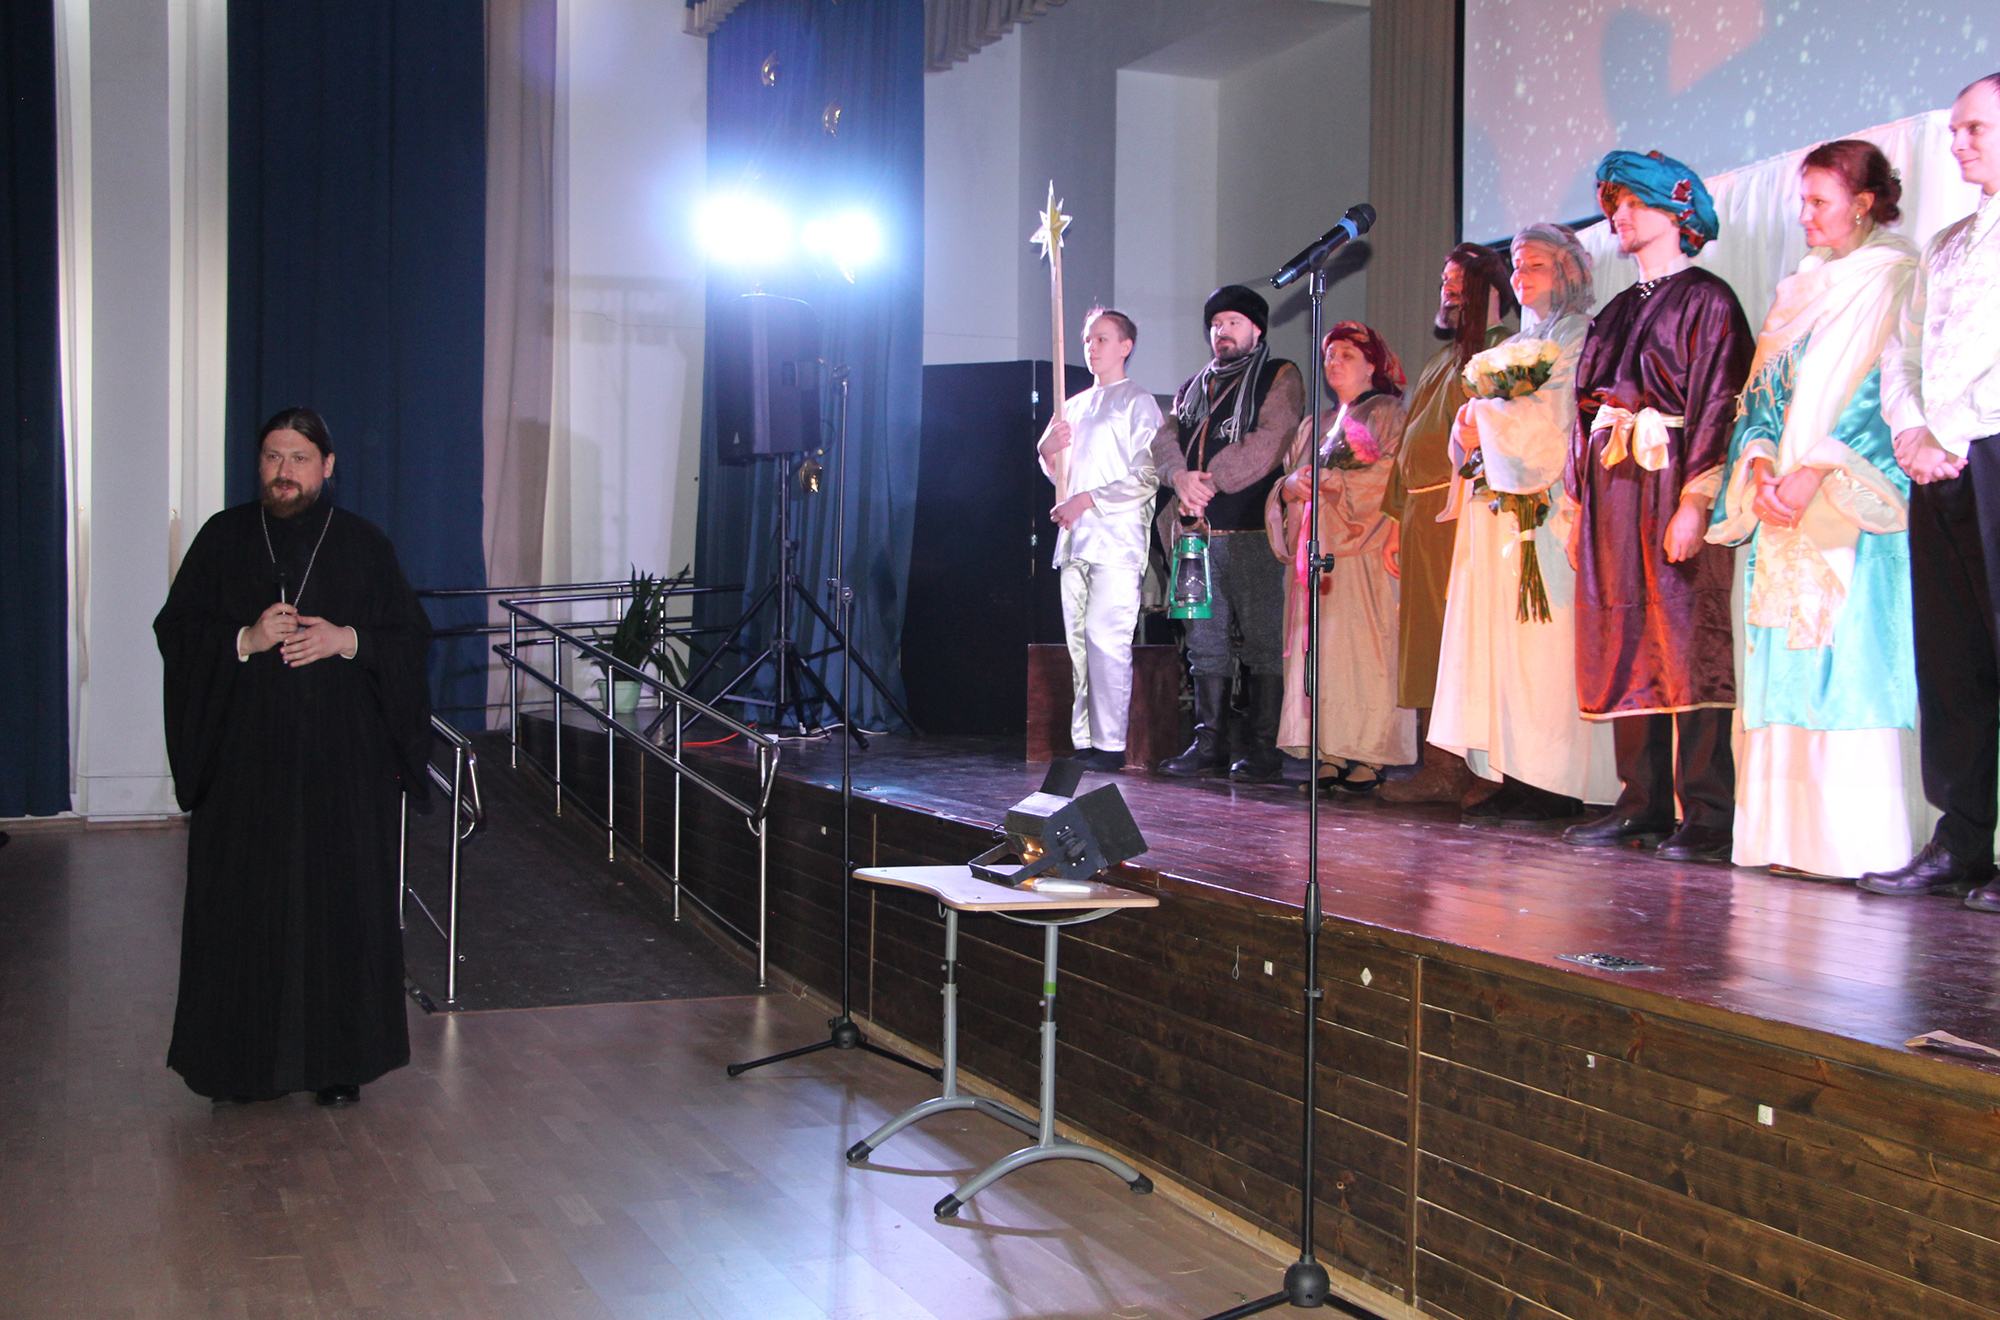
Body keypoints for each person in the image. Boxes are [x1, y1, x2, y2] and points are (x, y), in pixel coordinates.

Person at [154, 408, 433, 1106]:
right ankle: (237, 1067)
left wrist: (348, 640)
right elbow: (177, 630)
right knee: (241, 909)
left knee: (340, 908)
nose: (284, 472)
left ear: (327, 467)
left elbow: (409, 638)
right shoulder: (223, 538)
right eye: (273, 457)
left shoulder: (363, 545)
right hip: (244, 769)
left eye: (300, 458)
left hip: (344, 769)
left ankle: (338, 1064)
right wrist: (244, 639)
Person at [1706, 142, 1921, 879]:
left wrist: (1817, 471)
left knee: (1846, 657)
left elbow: (1887, 390)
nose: (1805, 216)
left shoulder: (1894, 277)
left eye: (1819, 202)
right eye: (1802, 200)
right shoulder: (1798, 290)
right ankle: (1782, 839)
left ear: (1862, 204)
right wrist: (1762, 465)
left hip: (1844, 501)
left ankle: (1854, 844)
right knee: (1784, 661)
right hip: (1782, 500)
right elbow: (1762, 393)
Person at [1562, 150, 1755, 863]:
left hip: (1671, 478)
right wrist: (1578, 504)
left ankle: (1706, 811)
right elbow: (1584, 413)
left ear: (1676, 212)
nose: (1619, 215)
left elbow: (1719, 401)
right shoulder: (1613, 313)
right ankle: (1638, 802)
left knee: (1687, 635)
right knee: (1622, 635)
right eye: (1614, 203)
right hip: (1614, 489)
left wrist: (1697, 500)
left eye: (1633, 203)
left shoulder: (1709, 300)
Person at [1863, 73, 2000, 906]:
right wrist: (1912, 431)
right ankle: (1962, 841)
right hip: (1940, 465)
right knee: (1953, 659)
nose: (1957, 143)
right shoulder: (1947, 243)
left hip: (1988, 446)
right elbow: (1902, 351)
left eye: (1975, 128)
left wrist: (1951, 430)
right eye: (1953, 130)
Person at [1430, 224, 1618, 820]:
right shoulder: (1522, 342)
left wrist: (1482, 418)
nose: (1520, 275)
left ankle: (1552, 779)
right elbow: (1489, 415)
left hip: (1546, 509)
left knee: (1543, 644)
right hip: (1498, 512)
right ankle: (1513, 771)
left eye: (1534, 264)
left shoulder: (1579, 335)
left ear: (1568, 269)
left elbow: (1558, 419)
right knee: (1502, 645)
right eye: (1515, 265)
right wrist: (1470, 422)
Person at [1379, 244, 1518, 805]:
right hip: (1420, 515)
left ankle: (1472, 766)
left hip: (1460, 511)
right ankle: (1436, 763)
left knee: (1459, 637)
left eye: (1459, 282)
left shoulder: (1502, 351)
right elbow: (1410, 443)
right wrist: (1395, 519)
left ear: (1491, 288)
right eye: (1444, 282)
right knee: (1424, 640)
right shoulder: (1442, 359)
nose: (1448, 291)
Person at [1152, 285, 1304, 782]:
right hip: (1193, 536)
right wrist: (1180, 478)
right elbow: (1165, 439)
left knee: (1263, 640)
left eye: (1233, 322)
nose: (1222, 331)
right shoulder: (1191, 388)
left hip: (1252, 530)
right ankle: (1208, 744)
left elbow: (1270, 440)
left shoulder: (1279, 375)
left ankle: (1263, 748)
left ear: (1256, 329)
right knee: (1204, 641)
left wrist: (1208, 482)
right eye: (1216, 324)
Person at [1268, 322, 1417, 793]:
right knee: (1322, 650)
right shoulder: (1314, 423)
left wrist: (1335, 483)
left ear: (1372, 365)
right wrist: (1290, 486)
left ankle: (1369, 754)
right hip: (1316, 551)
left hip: (1363, 553)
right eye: (1330, 355)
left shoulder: (1389, 414)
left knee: (1364, 652)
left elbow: (1394, 477)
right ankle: (1328, 751)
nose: (1334, 362)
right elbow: (1287, 478)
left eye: (1347, 355)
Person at [1037, 308, 1162, 773]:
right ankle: (1086, 739)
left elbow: (1147, 475)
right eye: (1088, 339)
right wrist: (1047, 452)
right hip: (1076, 539)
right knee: (1079, 643)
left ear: (1125, 346)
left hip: (1115, 538)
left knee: (1106, 639)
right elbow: (1060, 471)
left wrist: (1087, 499)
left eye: (1102, 338)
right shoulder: (1072, 405)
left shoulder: (1137, 402)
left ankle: (1111, 743)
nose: (1092, 347)